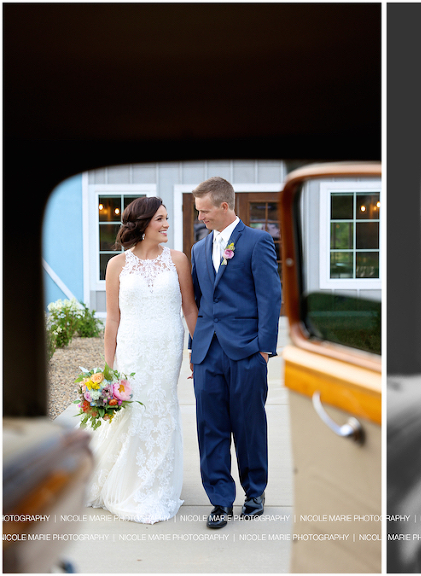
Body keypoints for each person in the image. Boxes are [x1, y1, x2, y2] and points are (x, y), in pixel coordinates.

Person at [86, 197, 198, 524]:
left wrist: (199, 352)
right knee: (132, 413)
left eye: (166, 219)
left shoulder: (178, 260)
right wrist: (107, 369)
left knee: (161, 411)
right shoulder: (117, 265)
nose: (166, 225)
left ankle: (157, 484)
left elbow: (190, 309)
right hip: (131, 349)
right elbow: (112, 320)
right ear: (143, 223)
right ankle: (130, 480)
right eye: (160, 219)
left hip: (167, 348)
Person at [190, 177, 282, 529]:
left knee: (249, 425)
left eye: (205, 211)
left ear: (225, 206)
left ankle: (254, 492)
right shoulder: (199, 249)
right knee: (210, 427)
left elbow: (270, 298)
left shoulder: (257, 242)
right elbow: (199, 303)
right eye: (199, 211)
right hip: (207, 353)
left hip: (246, 352)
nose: (201, 217)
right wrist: (193, 350)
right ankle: (220, 501)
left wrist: (263, 350)